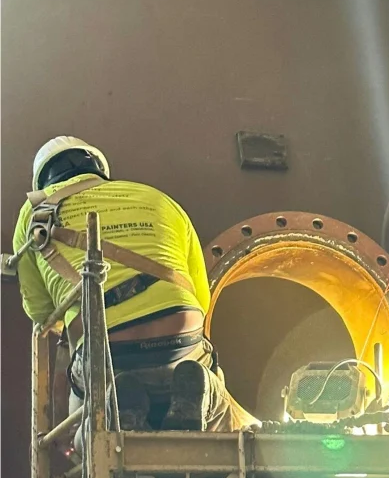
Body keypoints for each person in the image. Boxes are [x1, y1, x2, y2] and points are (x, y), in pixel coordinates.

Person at [12, 136, 247, 434]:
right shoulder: (158, 198)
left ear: (43, 179)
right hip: (180, 340)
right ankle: (203, 396)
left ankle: (120, 408)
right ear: (100, 169)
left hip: (108, 351)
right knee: (217, 410)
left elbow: (41, 312)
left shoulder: (33, 215)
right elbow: (201, 297)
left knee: (84, 423)